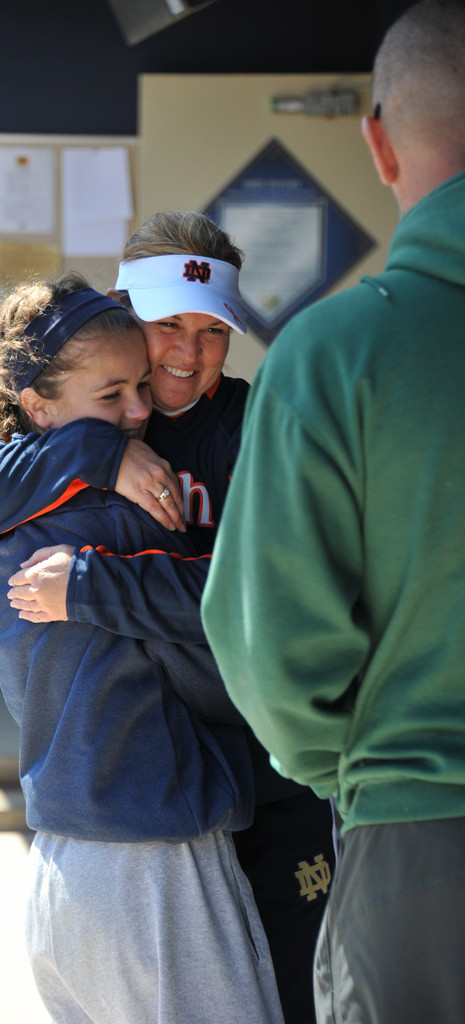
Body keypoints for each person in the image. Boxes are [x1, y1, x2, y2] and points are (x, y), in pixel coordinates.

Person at [0, 212, 336, 1024]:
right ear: (122, 310)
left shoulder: (260, 426)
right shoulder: (68, 419)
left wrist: (92, 585)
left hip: (271, 778)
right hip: (154, 794)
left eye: (212, 330)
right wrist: (99, 453)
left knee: (294, 999)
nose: (186, 352)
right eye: (166, 325)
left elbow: (277, 596)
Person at [200, 3, 465, 1022]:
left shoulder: (336, 352)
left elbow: (269, 651)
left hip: (418, 848)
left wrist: (349, 765)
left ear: (379, 143)